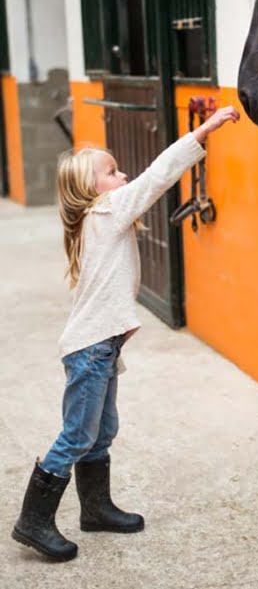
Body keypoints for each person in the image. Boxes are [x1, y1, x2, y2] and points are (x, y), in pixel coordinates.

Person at [11, 105, 240, 562]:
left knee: (102, 431)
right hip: (90, 350)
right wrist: (204, 132)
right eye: (112, 172)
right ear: (90, 189)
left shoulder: (99, 217)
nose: (123, 176)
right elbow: (158, 175)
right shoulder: (107, 211)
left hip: (101, 347)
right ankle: (32, 521)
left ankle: (95, 509)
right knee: (77, 435)